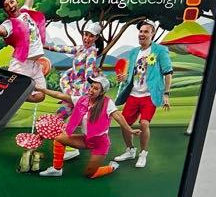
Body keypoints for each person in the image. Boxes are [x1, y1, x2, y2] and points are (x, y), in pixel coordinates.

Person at [39, 75, 131, 179]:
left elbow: (118, 116)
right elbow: (59, 95)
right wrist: (42, 89)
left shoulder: (107, 103)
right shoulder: (82, 99)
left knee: (90, 174)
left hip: (100, 144)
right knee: (59, 138)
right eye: (91, 86)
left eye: (96, 88)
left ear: (102, 92)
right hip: (86, 139)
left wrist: (129, 130)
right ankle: (57, 169)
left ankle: (112, 167)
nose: (91, 90)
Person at [114, 20, 173, 168]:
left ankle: (143, 154)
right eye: (140, 31)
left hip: (149, 95)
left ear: (152, 33)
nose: (142, 34)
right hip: (134, 94)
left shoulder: (160, 50)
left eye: (146, 31)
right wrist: (124, 78)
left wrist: (166, 94)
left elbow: (168, 72)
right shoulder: (134, 52)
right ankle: (130, 150)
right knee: (124, 124)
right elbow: (132, 74)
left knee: (144, 123)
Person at [44, 22, 107, 163]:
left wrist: (84, 97)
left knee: (64, 118)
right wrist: (43, 45)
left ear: (96, 38)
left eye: (91, 36)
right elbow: (61, 48)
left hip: (80, 93)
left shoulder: (92, 53)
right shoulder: (80, 48)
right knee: (60, 116)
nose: (87, 38)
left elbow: (89, 74)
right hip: (71, 87)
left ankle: (69, 148)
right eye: (85, 34)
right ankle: (68, 148)